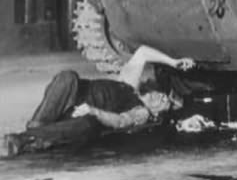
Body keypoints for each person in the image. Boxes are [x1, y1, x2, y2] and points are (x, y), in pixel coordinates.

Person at [3, 46, 195, 156]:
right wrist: (173, 62)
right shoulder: (129, 84)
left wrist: (93, 111)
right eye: (164, 93)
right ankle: (35, 131)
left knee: (89, 125)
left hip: (79, 118)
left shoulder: (141, 111)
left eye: (165, 102)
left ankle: (22, 139)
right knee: (68, 77)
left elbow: (119, 122)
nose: (161, 97)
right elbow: (143, 53)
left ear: (158, 114)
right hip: (71, 97)